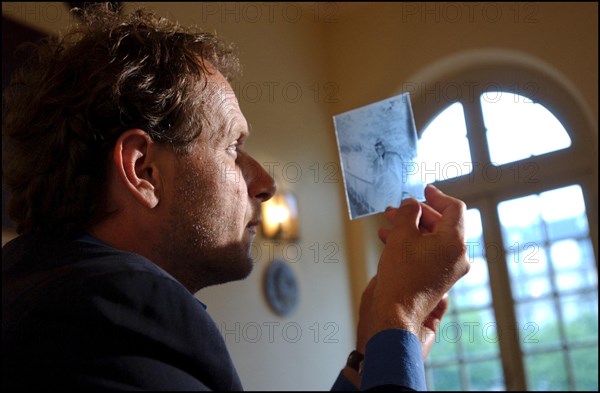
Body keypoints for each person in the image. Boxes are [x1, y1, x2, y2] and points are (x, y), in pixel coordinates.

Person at [2, 4, 470, 391]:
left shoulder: (48, 295)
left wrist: (372, 355)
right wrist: (398, 317)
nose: (265, 181)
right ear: (143, 170)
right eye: (233, 147)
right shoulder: (117, 312)